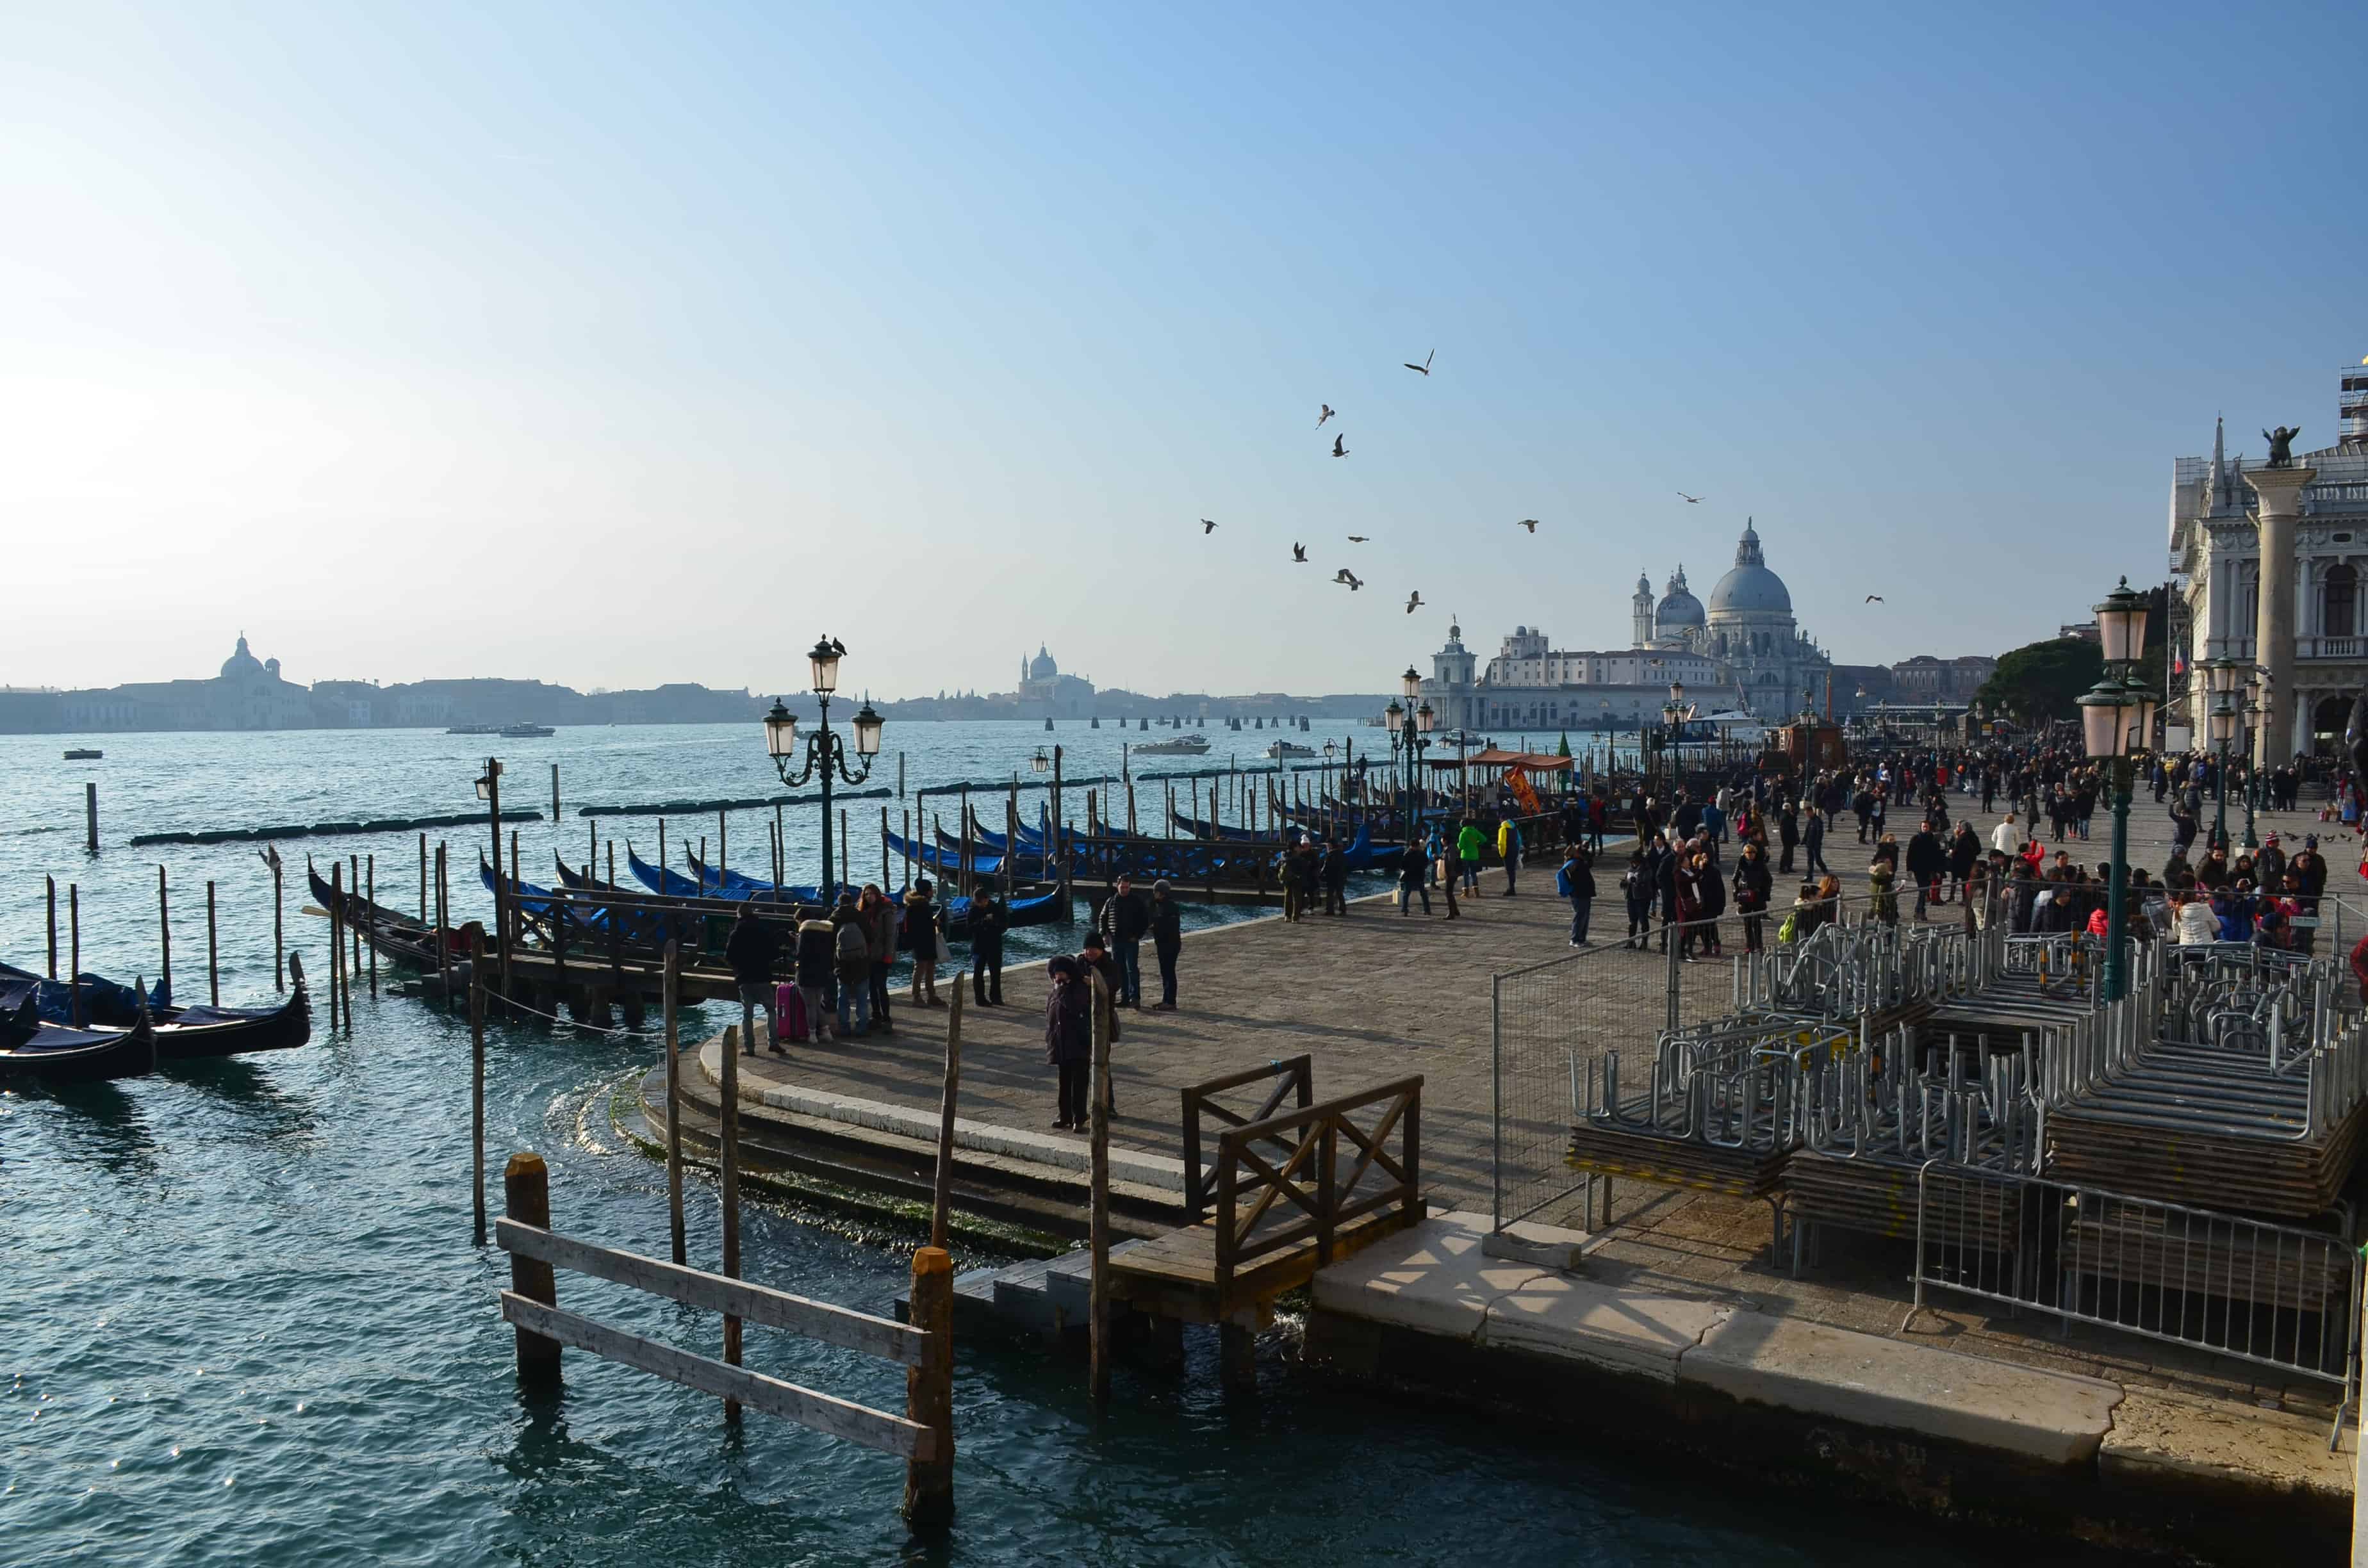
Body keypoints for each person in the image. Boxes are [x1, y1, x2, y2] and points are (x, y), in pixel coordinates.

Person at [1044, 954, 1091, 1130]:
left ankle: (1079, 1117)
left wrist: (1062, 990)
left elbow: (1074, 1007)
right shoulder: (1055, 992)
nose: (1058, 977)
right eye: (1056, 974)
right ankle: (1064, 1115)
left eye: (1061, 973)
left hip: (1078, 1042)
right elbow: (1050, 1015)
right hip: (1060, 1044)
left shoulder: (1079, 989)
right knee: (1064, 1083)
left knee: (1079, 1083)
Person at [724, 904, 777, 1056]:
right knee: (771, 1010)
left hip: (745, 977)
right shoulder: (763, 930)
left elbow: (729, 956)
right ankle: (773, 1042)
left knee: (748, 1014)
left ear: (739, 914)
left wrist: (738, 968)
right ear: (752, 913)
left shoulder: (736, 933)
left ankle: (750, 1048)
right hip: (763, 975)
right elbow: (774, 952)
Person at [1080, 933, 1122, 1116]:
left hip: (1101, 1020)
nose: (1089, 952)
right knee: (1081, 1065)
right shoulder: (1079, 963)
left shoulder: (1110, 965)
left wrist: (1094, 982)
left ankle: (1109, 1105)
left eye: (1093, 949)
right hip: (1081, 1020)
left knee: (1102, 1063)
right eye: (1087, 948)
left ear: (1101, 949)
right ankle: (1080, 1109)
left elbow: (1115, 983)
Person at [1100, 876, 1148, 1006]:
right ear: (1118, 886)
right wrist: (1104, 934)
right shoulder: (1111, 901)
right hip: (1116, 940)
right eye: (1123, 887)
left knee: (1132, 969)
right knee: (1119, 970)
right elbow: (1103, 917)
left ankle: (1135, 997)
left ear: (1130, 887)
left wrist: (1138, 935)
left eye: (1127, 887)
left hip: (1131, 940)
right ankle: (1124, 997)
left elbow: (1145, 920)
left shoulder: (1137, 901)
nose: (1125, 890)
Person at [831, 893, 871, 1035]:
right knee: (862, 997)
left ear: (839, 903)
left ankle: (844, 1027)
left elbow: (830, 943)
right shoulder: (860, 916)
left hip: (842, 964)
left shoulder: (834, 918)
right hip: (861, 962)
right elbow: (870, 936)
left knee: (843, 998)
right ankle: (861, 1027)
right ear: (852, 902)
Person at [794, 914, 837, 1042]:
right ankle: (826, 1031)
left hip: (805, 977)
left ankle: (812, 1034)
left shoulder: (805, 939)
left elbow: (799, 956)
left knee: (810, 1006)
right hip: (821, 975)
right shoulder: (824, 940)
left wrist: (796, 943)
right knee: (817, 1005)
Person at [860, 883, 898, 1033]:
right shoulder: (863, 911)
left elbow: (891, 936)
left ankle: (886, 1018)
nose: (869, 897)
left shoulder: (886, 911)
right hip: (868, 955)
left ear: (877, 894)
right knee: (871, 987)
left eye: (871, 894)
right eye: (866, 894)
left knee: (881, 986)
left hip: (882, 955)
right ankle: (876, 1016)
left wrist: (888, 956)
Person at [904, 879, 943, 1007]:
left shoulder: (918, 905)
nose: (933, 892)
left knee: (930, 967)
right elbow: (922, 924)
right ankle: (917, 996)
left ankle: (931, 995)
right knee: (920, 968)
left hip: (926, 941)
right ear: (927, 892)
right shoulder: (919, 906)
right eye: (931, 890)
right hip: (921, 941)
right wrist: (935, 922)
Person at [966, 886, 1006, 1006]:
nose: (980, 905)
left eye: (981, 902)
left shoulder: (995, 907)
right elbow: (969, 929)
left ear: (986, 899)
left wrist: (994, 922)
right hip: (979, 945)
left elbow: (1004, 924)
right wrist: (983, 921)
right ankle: (980, 999)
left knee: (995, 972)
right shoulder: (973, 911)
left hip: (994, 944)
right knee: (978, 973)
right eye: (978, 903)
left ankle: (996, 997)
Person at [1149, 879, 1183, 1009]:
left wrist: (1155, 926)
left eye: (1156, 892)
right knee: (1165, 972)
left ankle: (1171, 1001)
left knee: (1169, 971)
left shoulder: (1170, 906)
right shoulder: (1158, 905)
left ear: (1162, 893)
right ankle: (1166, 998)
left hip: (1171, 944)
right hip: (1162, 943)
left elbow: (1171, 926)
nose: (1154, 894)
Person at [1734, 840, 1772, 952]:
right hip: (1745, 896)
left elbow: (1769, 879)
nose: (1751, 855)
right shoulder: (1741, 863)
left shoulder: (1760, 864)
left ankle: (1759, 946)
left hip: (1757, 895)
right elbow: (1734, 879)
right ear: (1744, 853)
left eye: (1753, 852)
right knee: (1747, 923)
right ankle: (1749, 946)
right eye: (1749, 852)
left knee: (1757, 922)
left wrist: (1765, 893)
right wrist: (1737, 893)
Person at [1556, 845, 1595, 946]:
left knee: (1585, 916)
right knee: (1580, 916)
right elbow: (1585, 867)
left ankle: (1581, 938)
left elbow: (1589, 864)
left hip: (1585, 892)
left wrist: (1585, 853)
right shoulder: (1574, 863)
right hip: (1579, 893)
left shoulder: (1578, 861)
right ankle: (1575, 939)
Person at [1620, 849, 1655, 950]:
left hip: (1642, 897)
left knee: (1643, 920)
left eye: (1635, 861)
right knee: (1632, 921)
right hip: (1631, 897)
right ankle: (1631, 942)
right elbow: (1625, 880)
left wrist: (1636, 880)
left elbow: (1646, 880)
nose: (1633, 863)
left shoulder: (1646, 869)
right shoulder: (1630, 869)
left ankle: (1644, 943)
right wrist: (1625, 882)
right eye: (1632, 861)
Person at [1397, 839, 1431, 915]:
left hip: (1409, 876)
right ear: (1418, 845)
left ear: (1411, 846)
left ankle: (1405, 909)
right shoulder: (1422, 854)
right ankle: (1427, 910)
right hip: (1419, 876)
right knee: (1423, 894)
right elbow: (1426, 864)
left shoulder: (1407, 854)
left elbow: (1402, 866)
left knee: (1406, 894)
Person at [1322, 835, 1351, 917]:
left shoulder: (1330, 855)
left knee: (1330, 894)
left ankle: (1330, 910)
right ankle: (1343, 910)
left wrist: (1320, 875)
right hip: (1341, 877)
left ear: (1330, 845)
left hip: (1332, 877)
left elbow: (1326, 866)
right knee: (1340, 894)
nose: (1327, 847)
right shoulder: (1342, 854)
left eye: (1327, 845)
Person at [1456, 817, 1484, 894]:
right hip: (1474, 855)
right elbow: (1484, 839)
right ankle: (1476, 891)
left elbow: (1461, 846)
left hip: (1465, 856)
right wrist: (1477, 843)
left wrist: (1458, 845)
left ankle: (1466, 891)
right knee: (1473, 873)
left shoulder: (1463, 833)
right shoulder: (1475, 831)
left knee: (1466, 873)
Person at [1496, 815, 1522, 895]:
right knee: (1512, 871)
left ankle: (1511, 889)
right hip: (1514, 850)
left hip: (1507, 852)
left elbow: (1502, 843)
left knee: (1509, 871)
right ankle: (1512, 887)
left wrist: (1502, 854)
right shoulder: (1514, 828)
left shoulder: (1503, 829)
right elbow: (1519, 839)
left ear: (1502, 820)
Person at [1803, 807, 1828, 874]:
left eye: (1807, 814)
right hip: (1809, 844)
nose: (1807, 816)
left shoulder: (1817, 821)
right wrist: (1804, 840)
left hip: (1815, 844)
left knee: (1818, 860)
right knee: (1810, 861)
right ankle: (1809, 876)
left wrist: (1817, 843)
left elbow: (1820, 833)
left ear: (1811, 812)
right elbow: (1807, 832)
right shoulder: (1810, 821)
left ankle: (1825, 870)